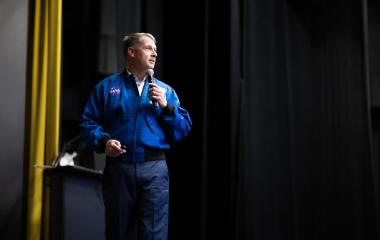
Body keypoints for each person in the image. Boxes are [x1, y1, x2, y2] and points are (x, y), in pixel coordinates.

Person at [80, 32, 192, 240]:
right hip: (119, 168)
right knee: (117, 232)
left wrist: (167, 108)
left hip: (154, 170)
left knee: (154, 235)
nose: (155, 53)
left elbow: (183, 129)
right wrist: (104, 142)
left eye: (156, 50)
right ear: (131, 52)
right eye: (149, 48)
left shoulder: (165, 91)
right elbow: (88, 123)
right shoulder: (107, 87)